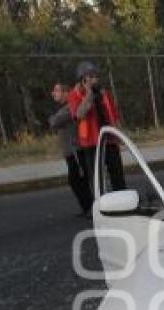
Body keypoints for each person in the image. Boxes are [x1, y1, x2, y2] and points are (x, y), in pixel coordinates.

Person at [67, 61, 126, 194]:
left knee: (117, 176)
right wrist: (89, 95)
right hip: (91, 144)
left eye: (96, 76)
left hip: (109, 140)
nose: (95, 79)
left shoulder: (104, 93)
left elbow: (114, 116)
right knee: (97, 179)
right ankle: (101, 205)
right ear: (82, 79)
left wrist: (120, 135)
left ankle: (122, 200)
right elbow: (79, 114)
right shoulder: (74, 95)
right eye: (91, 77)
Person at [48, 83, 91, 215]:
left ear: (66, 93)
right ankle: (88, 208)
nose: (53, 93)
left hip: (76, 150)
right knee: (78, 180)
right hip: (70, 151)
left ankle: (90, 208)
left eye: (56, 90)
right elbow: (54, 123)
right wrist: (54, 120)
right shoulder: (63, 109)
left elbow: (54, 122)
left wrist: (53, 119)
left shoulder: (70, 107)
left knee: (77, 181)